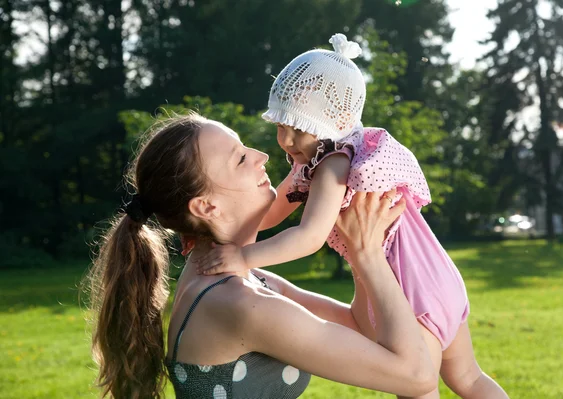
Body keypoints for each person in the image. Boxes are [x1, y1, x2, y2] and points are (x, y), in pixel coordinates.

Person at [195, 34, 509, 399]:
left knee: (416, 387)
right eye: (282, 125)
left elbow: (309, 237)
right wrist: (219, 231)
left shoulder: (333, 164)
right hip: (436, 276)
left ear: (335, 123)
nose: (287, 139)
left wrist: (242, 257)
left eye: (299, 128)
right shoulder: (314, 162)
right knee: (469, 379)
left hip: (410, 292)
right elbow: (270, 211)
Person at [86, 113, 439, 399]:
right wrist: (368, 256)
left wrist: (362, 245)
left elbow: (365, 330)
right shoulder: (238, 302)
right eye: (240, 157)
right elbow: (417, 377)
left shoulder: (244, 278)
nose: (262, 156)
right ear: (207, 206)